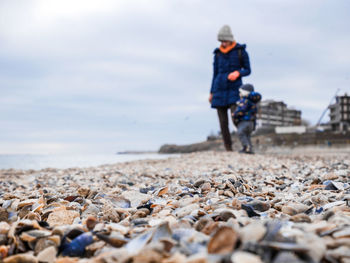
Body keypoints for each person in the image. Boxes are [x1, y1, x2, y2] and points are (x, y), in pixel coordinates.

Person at [209, 25, 251, 151]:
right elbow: (214, 74)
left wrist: (238, 73)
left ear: (230, 39)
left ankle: (246, 144)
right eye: (221, 41)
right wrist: (211, 92)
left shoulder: (240, 51)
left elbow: (248, 70)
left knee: (236, 118)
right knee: (222, 122)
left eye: (225, 41)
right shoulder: (217, 54)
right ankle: (228, 148)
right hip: (219, 89)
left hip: (234, 89)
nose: (223, 43)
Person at [232, 84, 262, 154]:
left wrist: (235, 114)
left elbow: (241, 110)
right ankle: (250, 148)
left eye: (240, 92)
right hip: (251, 123)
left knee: (241, 133)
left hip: (244, 121)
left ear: (244, 92)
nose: (239, 94)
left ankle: (246, 147)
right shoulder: (254, 102)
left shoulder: (244, 101)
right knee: (247, 135)